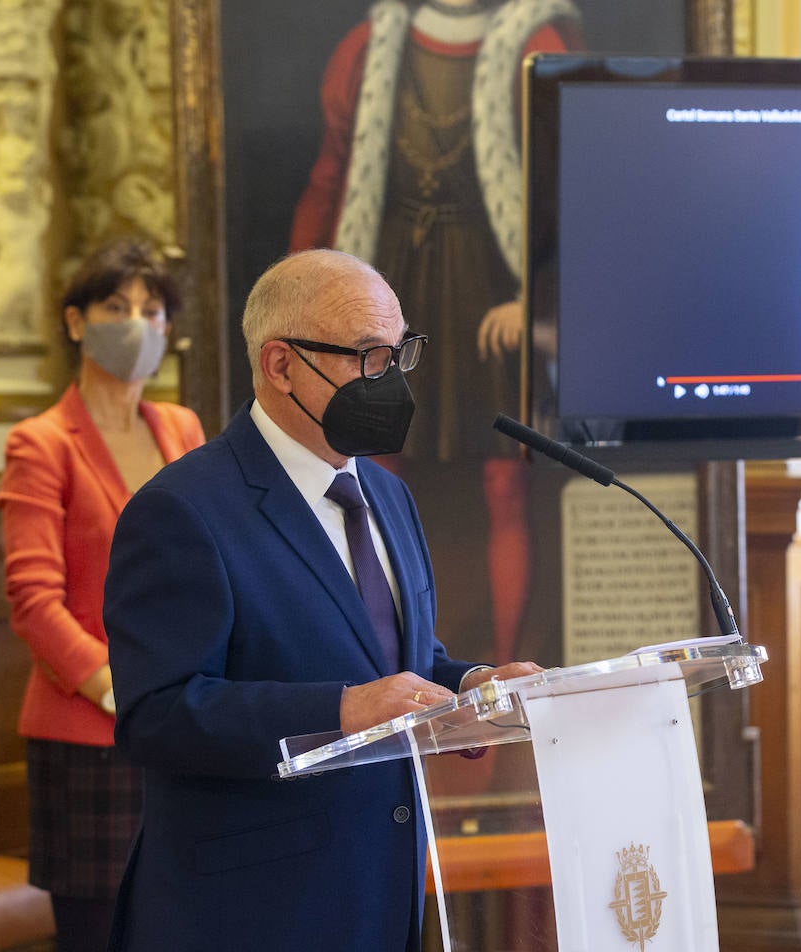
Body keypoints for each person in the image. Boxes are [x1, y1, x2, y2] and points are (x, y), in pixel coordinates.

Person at [103, 249, 542, 951]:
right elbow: (157, 715)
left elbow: (397, 657)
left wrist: (473, 687)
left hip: (381, 892)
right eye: (368, 356)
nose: (391, 380)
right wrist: (339, 711)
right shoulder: (183, 510)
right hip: (250, 912)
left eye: (400, 353)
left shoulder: (388, 494)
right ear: (281, 365)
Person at [290, 0, 584, 665]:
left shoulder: (534, 42)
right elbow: (331, 178)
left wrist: (535, 301)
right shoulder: (366, 49)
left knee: (505, 483)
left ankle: (507, 666)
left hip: (490, 292)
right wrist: (300, 304)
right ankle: (386, 658)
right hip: (388, 283)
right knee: (372, 472)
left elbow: (567, 188)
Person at [0, 239, 205, 952]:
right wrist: (117, 686)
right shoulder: (41, 442)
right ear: (76, 321)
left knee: (183, 924)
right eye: (117, 307)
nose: (138, 324)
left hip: (187, 720)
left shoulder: (181, 427)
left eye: (153, 310)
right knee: (100, 933)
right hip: (90, 734)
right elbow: (33, 601)